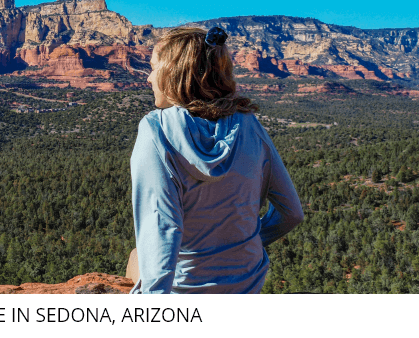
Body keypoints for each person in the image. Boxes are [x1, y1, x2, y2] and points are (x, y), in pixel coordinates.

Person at [129, 27, 304, 294]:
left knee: (136, 258)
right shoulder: (248, 124)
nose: (149, 78)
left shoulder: (156, 130)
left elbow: (160, 230)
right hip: (246, 284)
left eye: (153, 68)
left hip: (186, 291)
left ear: (172, 73)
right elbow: (291, 212)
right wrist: (243, 243)